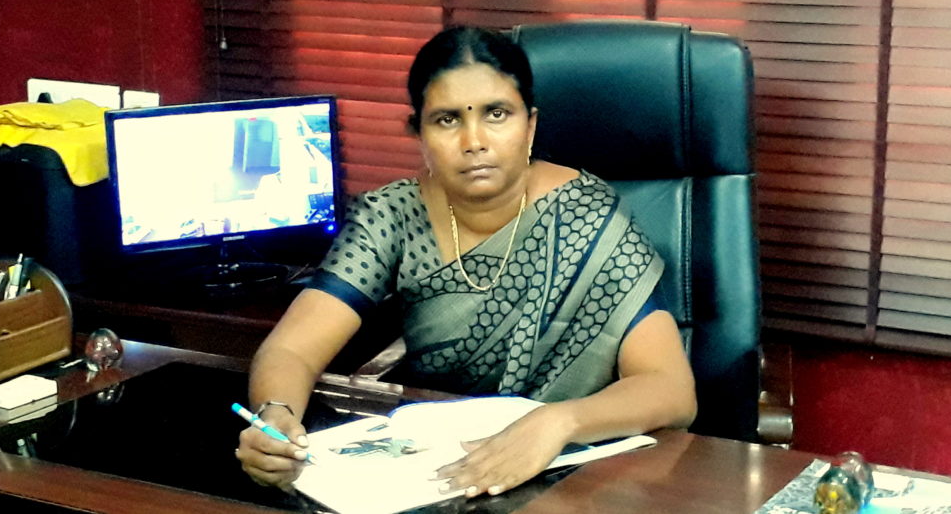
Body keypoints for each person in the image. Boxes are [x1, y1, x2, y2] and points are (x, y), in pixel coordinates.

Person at [237, 26, 697, 498]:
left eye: (496, 114)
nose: (474, 140)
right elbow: (291, 349)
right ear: (419, 134)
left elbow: (670, 389)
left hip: (575, 475)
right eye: (447, 119)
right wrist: (276, 416)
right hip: (439, 476)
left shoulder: (588, 216)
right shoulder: (392, 217)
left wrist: (557, 422)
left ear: (530, 126)